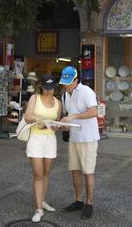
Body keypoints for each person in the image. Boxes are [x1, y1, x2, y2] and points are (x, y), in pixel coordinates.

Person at [59, 66, 100, 219]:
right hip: (74, 138)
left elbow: (94, 111)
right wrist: (58, 125)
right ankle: (78, 201)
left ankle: (89, 204)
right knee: (74, 171)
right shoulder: (65, 95)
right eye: (64, 82)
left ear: (76, 80)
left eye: (68, 82)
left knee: (88, 171)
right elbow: (66, 117)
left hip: (88, 138)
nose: (66, 85)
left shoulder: (86, 91)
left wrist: (74, 117)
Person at [24, 74, 62, 223]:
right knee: (38, 174)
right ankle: (38, 209)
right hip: (36, 139)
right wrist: (40, 120)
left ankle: (43, 201)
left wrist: (55, 126)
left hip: (50, 139)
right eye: (46, 88)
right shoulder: (35, 98)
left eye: (51, 88)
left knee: (46, 173)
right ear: (42, 87)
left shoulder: (58, 103)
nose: (49, 91)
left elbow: (57, 124)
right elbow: (27, 116)